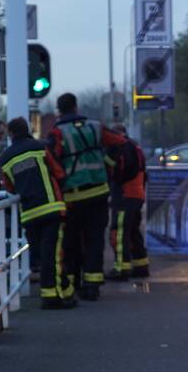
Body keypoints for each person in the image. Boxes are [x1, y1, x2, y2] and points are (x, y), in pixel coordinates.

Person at [46, 93, 127, 301]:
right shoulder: (95, 127)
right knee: (94, 240)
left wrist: (62, 180)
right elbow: (120, 142)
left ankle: (72, 285)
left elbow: (51, 160)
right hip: (99, 193)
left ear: (59, 110)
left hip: (72, 197)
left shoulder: (57, 133)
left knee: (70, 241)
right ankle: (92, 286)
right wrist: (107, 165)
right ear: (76, 107)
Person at [0, 117, 73, 309]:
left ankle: (66, 291)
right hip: (51, 208)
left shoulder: (5, 157)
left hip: (29, 213)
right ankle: (51, 296)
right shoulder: (40, 147)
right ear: (28, 129)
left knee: (43, 255)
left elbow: (10, 187)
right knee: (53, 254)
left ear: (11, 134)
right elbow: (59, 173)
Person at [106, 124, 149, 279]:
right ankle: (141, 266)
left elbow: (119, 173)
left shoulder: (123, 148)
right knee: (133, 230)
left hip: (126, 196)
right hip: (136, 195)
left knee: (120, 231)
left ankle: (121, 268)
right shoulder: (135, 147)